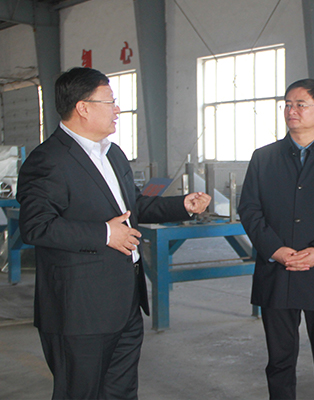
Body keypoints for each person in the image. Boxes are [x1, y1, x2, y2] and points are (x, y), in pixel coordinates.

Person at [16, 67, 211, 399]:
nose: (117, 109)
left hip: (124, 303)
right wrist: (105, 234)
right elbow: (37, 226)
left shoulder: (112, 153)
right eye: (110, 102)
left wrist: (182, 205)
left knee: (121, 391)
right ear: (83, 107)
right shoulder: (48, 160)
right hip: (79, 311)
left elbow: (132, 206)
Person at [238, 79, 314, 400]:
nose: (291, 111)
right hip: (276, 272)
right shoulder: (264, 158)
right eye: (287, 104)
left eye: (300, 105)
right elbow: (249, 209)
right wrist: (275, 249)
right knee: (279, 362)